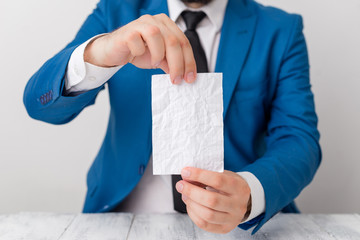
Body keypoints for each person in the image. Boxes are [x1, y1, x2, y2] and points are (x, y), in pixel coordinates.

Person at [23, 0, 321, 234]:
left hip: (241, 226)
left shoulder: (280, 30)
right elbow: (38, 104)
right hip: (121, 219)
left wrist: (250, 191)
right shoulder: (117, 10)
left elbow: (299, 139)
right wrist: (101, 52)